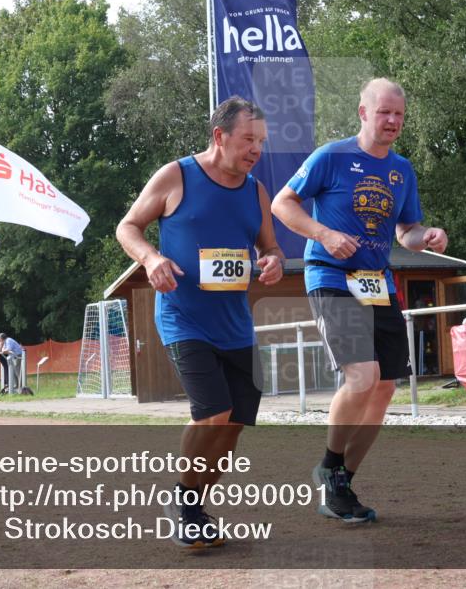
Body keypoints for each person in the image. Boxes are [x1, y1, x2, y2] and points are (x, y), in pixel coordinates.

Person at [272, 78, 448, 523]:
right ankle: (330, 464)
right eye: (384, 112)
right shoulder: (331, 157)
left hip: (377, 283)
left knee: (384, 387)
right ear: (363, 112)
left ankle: (342, 483)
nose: (392, 121)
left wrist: (427, 236)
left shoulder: (402, 170)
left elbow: (406, 232)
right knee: (362, 375)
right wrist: (325, 234)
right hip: (330, 276)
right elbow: (282, 204)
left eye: (399, 115)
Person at [116, 96, 284, 548]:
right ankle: (182, 501)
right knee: (213, 412)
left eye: (261, 142)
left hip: (236, 326)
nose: (256, 150)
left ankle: (193, 507)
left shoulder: (256, 191)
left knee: (232, 427)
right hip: (184, 318)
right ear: (219, 136)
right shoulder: (177, 176)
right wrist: (151, 259)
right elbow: (127, 227)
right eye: (248, 139)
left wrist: (273, 261)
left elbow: (270, 247)